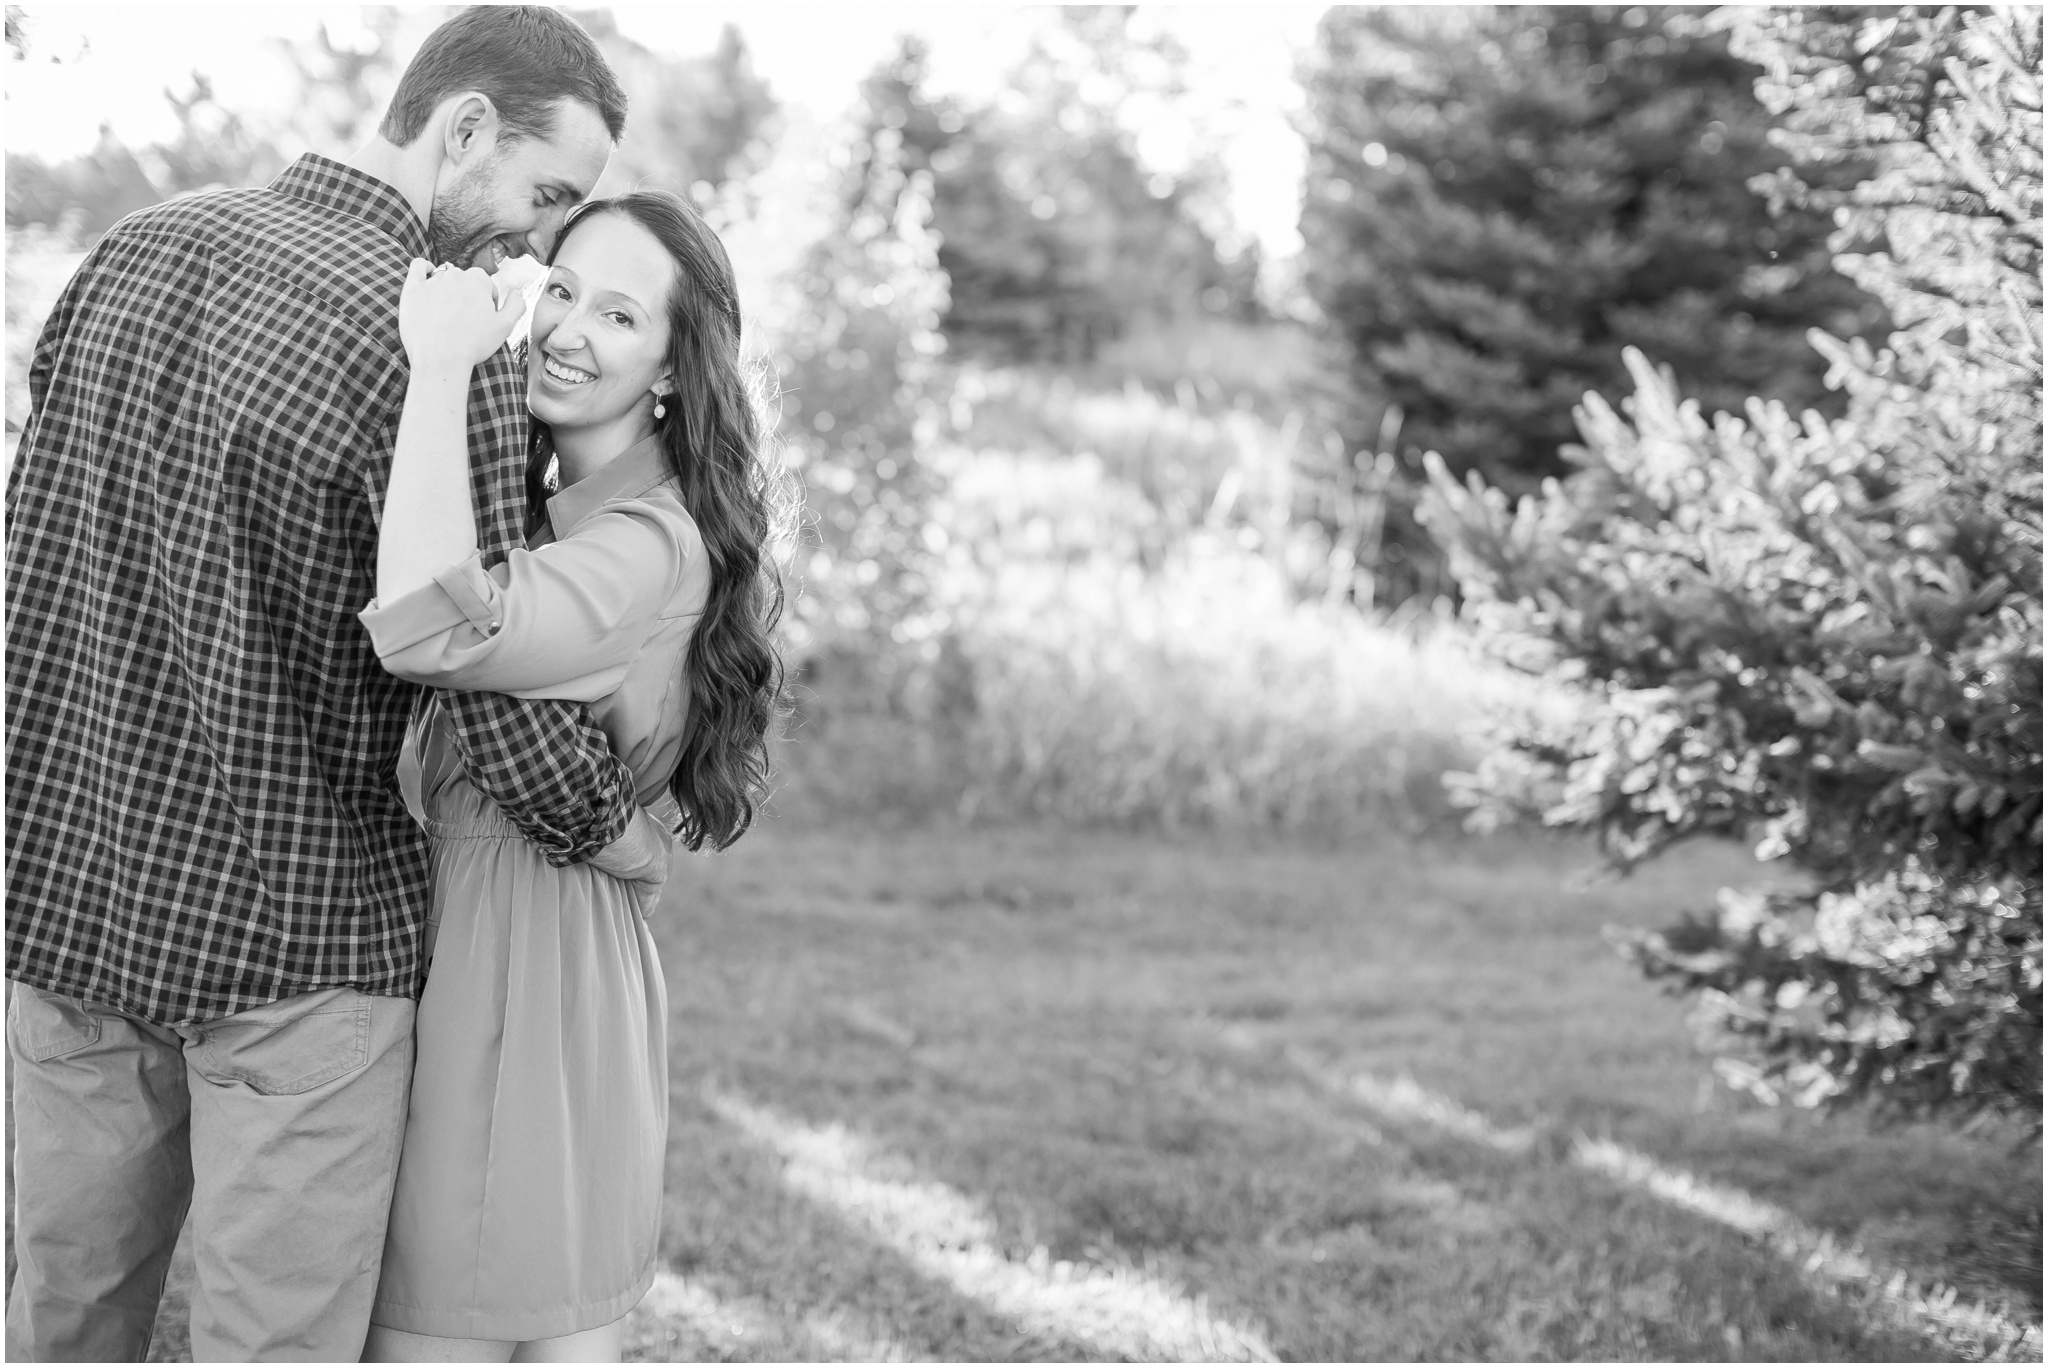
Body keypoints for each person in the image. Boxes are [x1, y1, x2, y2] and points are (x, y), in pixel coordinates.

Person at [3, 9, 672, 1361]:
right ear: (465, 128)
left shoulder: (132, 250)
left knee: (59, 1325)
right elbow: (474, 660)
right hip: (298, 948)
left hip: (67, 914)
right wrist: (615, 831)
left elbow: (36, 550)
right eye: (547, 195)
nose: (537, 244)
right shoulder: (447, 352)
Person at [354, 192, 788, 1362]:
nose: (566, 328)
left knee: (446, 1326)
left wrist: (440, 370)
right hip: (526, 948)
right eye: (559, 289)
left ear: (669, 369)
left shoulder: (647, 543)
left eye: (618, 313)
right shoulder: (557, 516)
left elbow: (431, 631)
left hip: (523, 974)